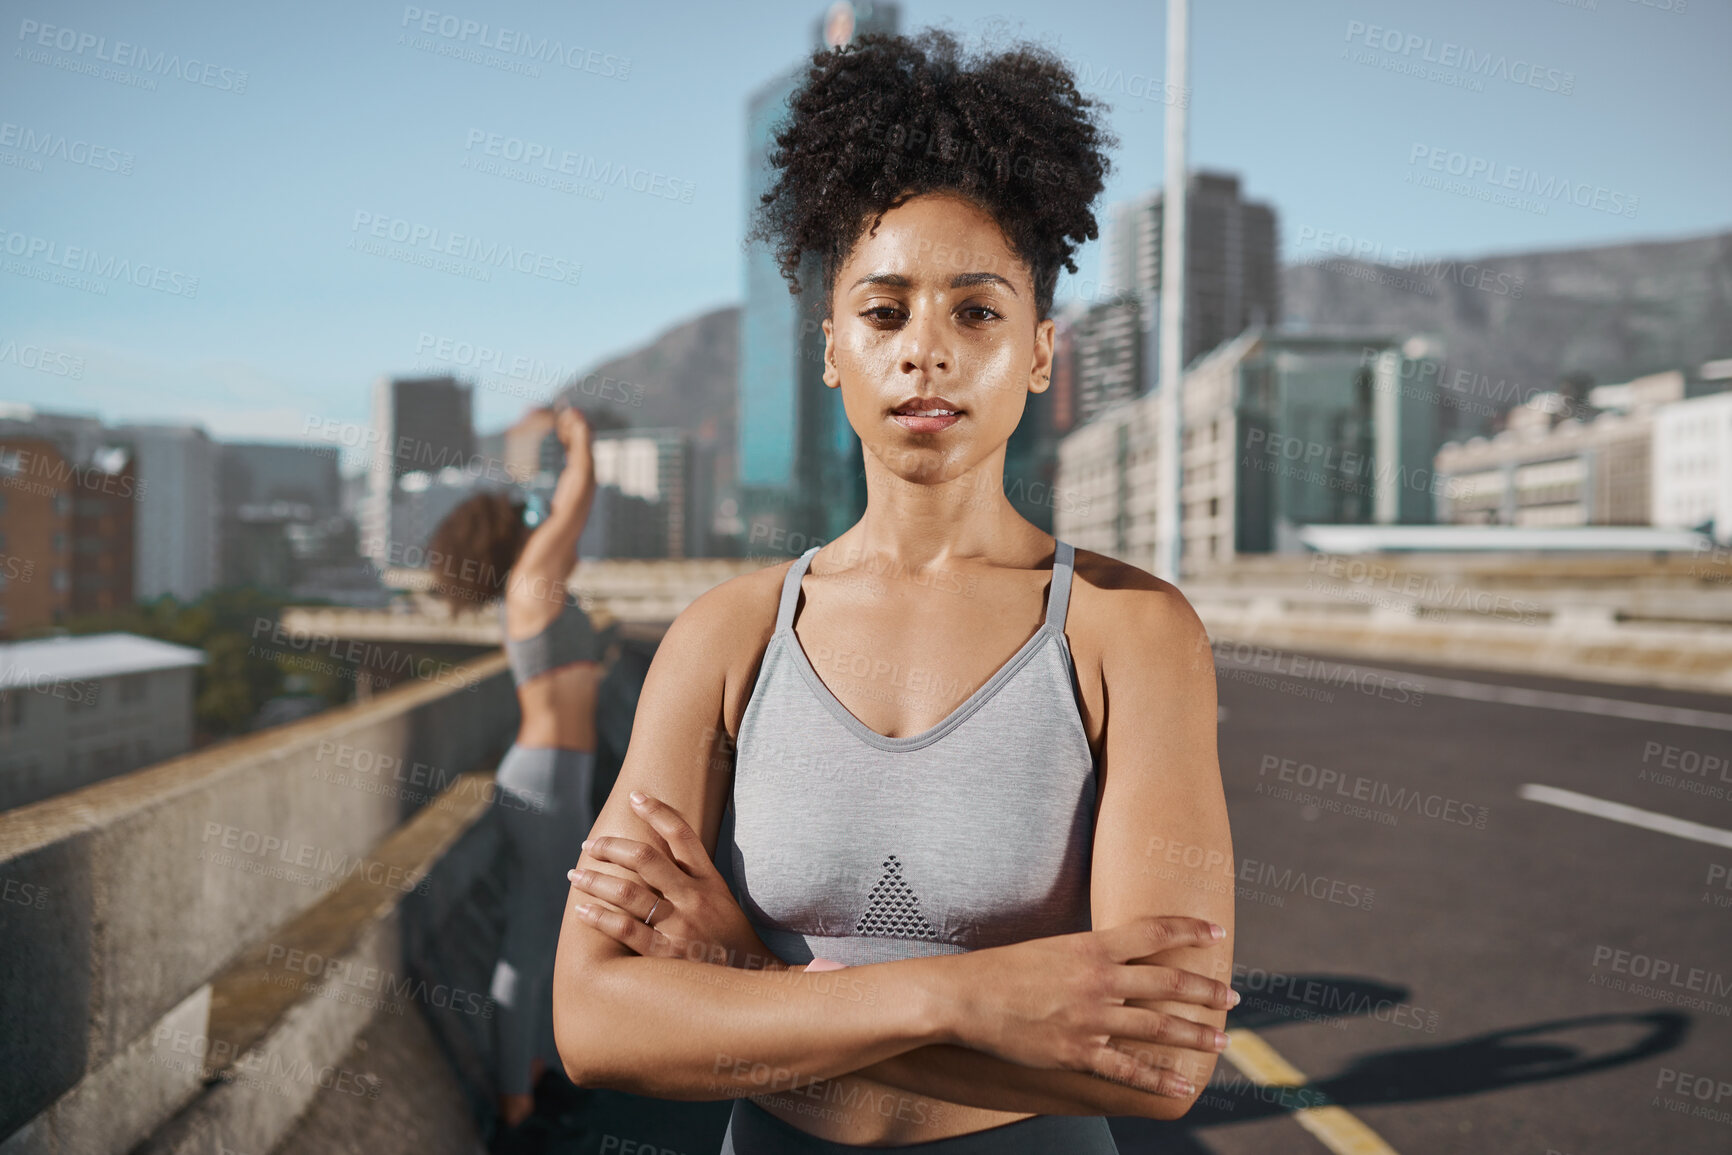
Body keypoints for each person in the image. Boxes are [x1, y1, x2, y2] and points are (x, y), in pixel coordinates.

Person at [552, 28, 1236, 1154]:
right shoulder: (727, 636)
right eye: (883, 313)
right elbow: (594, 1023)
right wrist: (961, 994)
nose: (926, 352)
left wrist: (737, 982)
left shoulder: (1129, 633)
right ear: (830, 349)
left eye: (976, 312)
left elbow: (1160, 1062)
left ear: (1039, 353)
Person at [426, 406, 602, 1148]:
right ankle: (513, 1105)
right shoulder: (532, 580)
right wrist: (581, 442)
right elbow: (575, 503)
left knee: (549, 935)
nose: (537, 520)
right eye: (523, 515)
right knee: (532, 943)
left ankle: (530, 1071)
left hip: (557, 774)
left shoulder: (533, 587)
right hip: (546, 779)